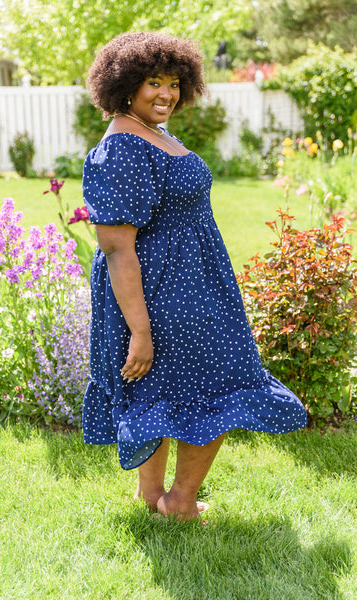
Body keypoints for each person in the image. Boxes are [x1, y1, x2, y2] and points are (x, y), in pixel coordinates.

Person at [82, 31, 307, 521]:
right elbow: (118, 248)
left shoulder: (151, 130)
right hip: (164, 288)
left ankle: (154, 499)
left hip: (190, 278)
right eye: (152, 82)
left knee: (163, 388)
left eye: (174, 82)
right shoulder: (122, 146)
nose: (167, 93)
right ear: (124, 85)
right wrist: (140, 330)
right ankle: (181, 503)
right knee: (218, 380)